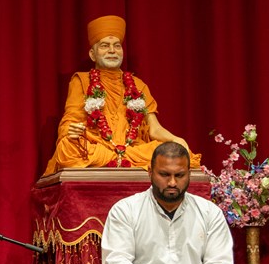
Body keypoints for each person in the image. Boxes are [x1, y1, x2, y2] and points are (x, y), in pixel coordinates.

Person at [44, 14, 199, 173]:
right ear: (92, 54)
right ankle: (118, 159)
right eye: (105, 45)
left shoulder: (138, 85)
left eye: (117, 46)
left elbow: (154, 129)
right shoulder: (81, 81)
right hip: (98, 149)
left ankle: (121, 159)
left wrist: (175, 139)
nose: (112, 50)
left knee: (173, 151)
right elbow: (70, 120)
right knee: (67, 147)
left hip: (134, 150)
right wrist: (71, 130)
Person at [100, 142, 233, 264]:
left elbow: (219, 261)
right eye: (164, 174)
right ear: (150, 172)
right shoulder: (126, 210)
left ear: (189, 174)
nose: (172, 183)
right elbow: (117, 260)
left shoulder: (209, 212)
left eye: (179, 175)